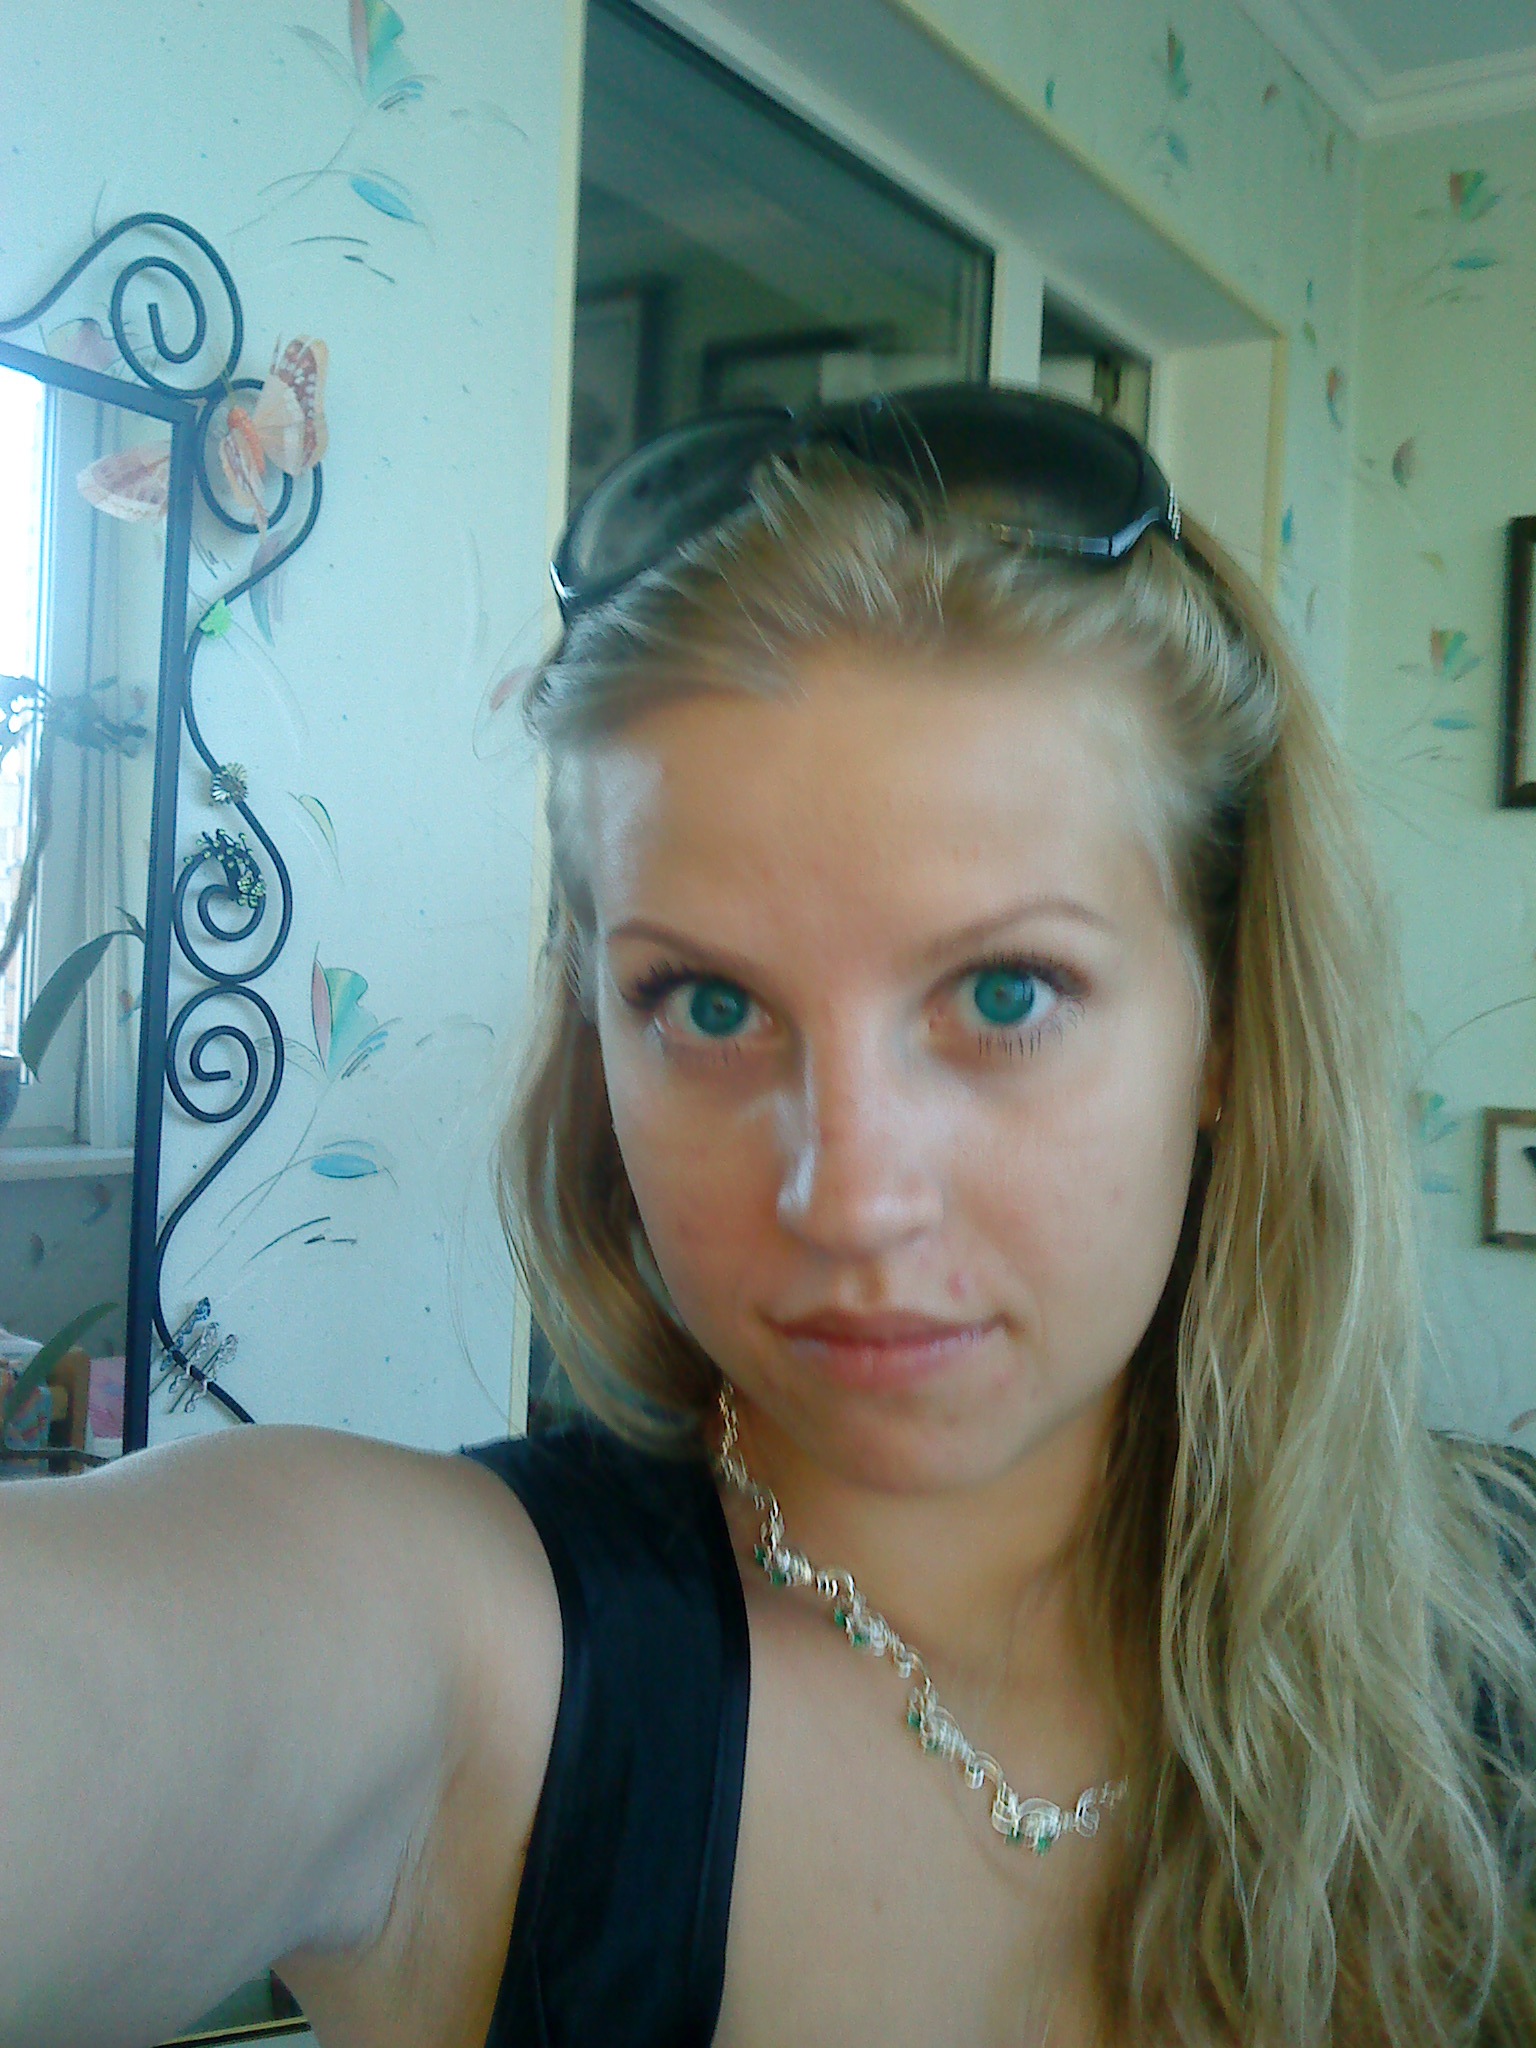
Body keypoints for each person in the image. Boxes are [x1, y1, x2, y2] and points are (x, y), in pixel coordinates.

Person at [1, 386, 1532, 2048]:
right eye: (710, 1006)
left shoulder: (1494, 1614)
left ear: (1225, 1023)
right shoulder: (471, 1663)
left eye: (1004, 992)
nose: (846, 1197)